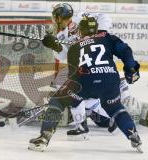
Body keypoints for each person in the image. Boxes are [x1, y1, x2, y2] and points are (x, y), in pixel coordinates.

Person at [28, 16, 142, 152]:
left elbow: (73, 74)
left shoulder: (75, 46)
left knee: (57, 101)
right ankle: (133, 136)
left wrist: (74, 94)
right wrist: (130, 69)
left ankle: (44, 137)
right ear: (96, 28)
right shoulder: (107, 37)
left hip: (84, 82)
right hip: (110, 80)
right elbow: (125, 51)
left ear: (81, 31)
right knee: (116, 108)